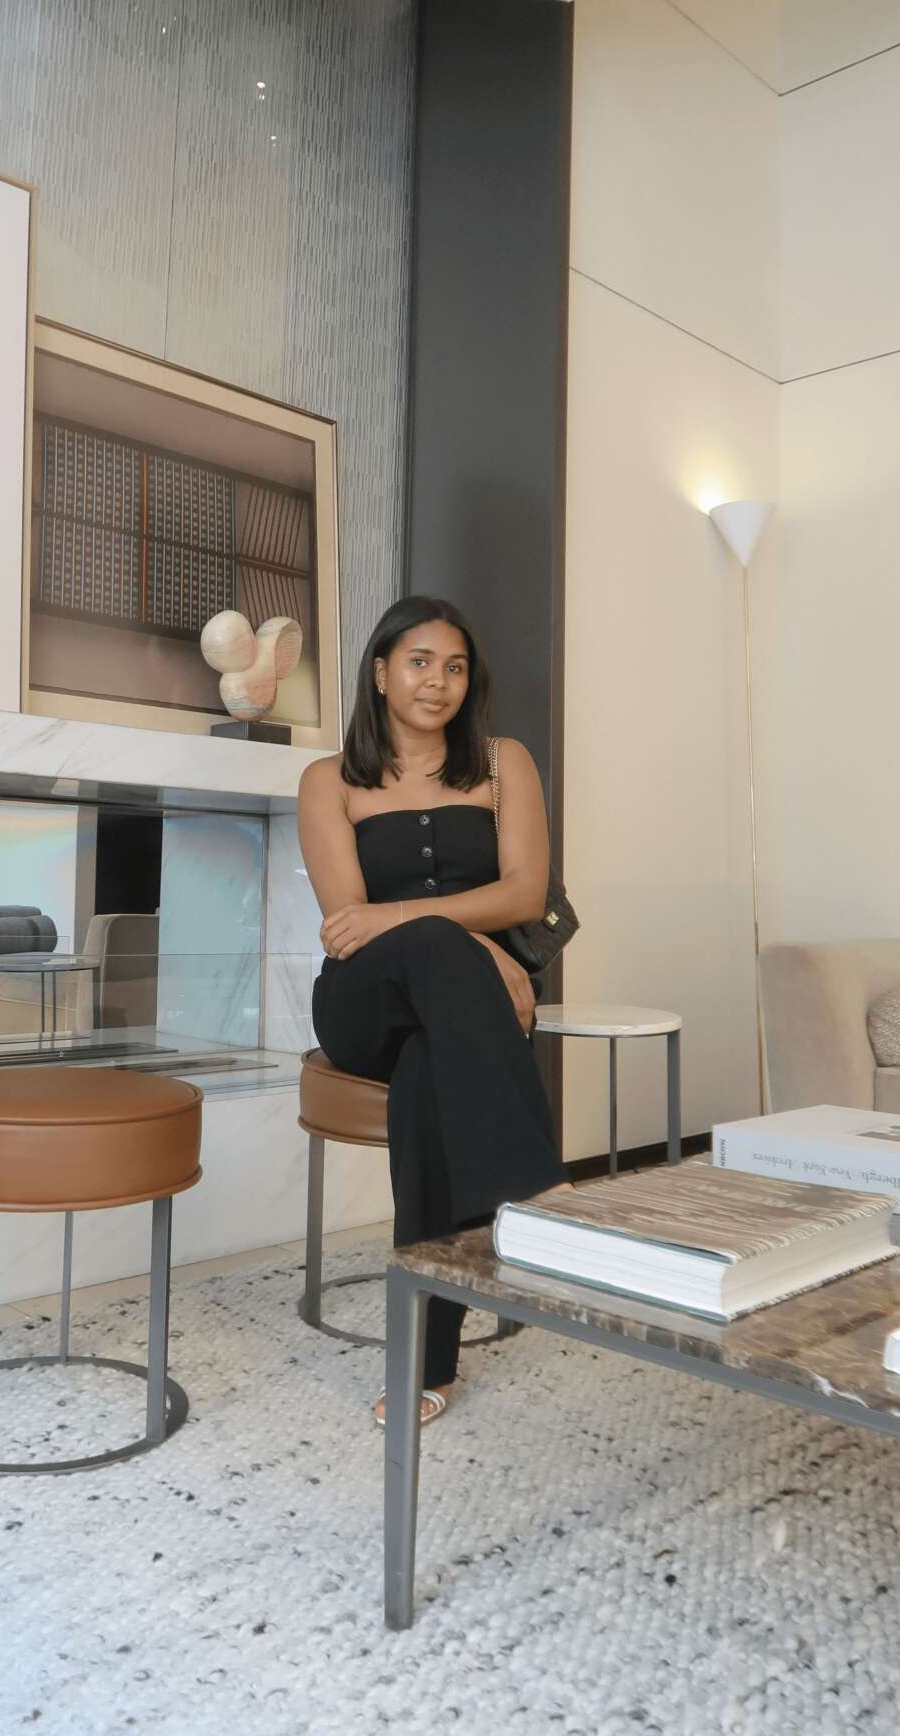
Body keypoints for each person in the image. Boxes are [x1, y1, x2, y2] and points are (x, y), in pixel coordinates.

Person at [298, 594, 566, 1427]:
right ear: (381, 673)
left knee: (427, 1085)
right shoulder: (328, 780)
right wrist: (470, 944)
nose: (438, 681)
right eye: (419, 662)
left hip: (458, 1016)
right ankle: (537, 1197)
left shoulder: (502, 763)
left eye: (454, 667)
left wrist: (438, 934)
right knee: (434, 969)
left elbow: (526, 893)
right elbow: (349, 926)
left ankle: (426, 1363)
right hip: (364, 1002)